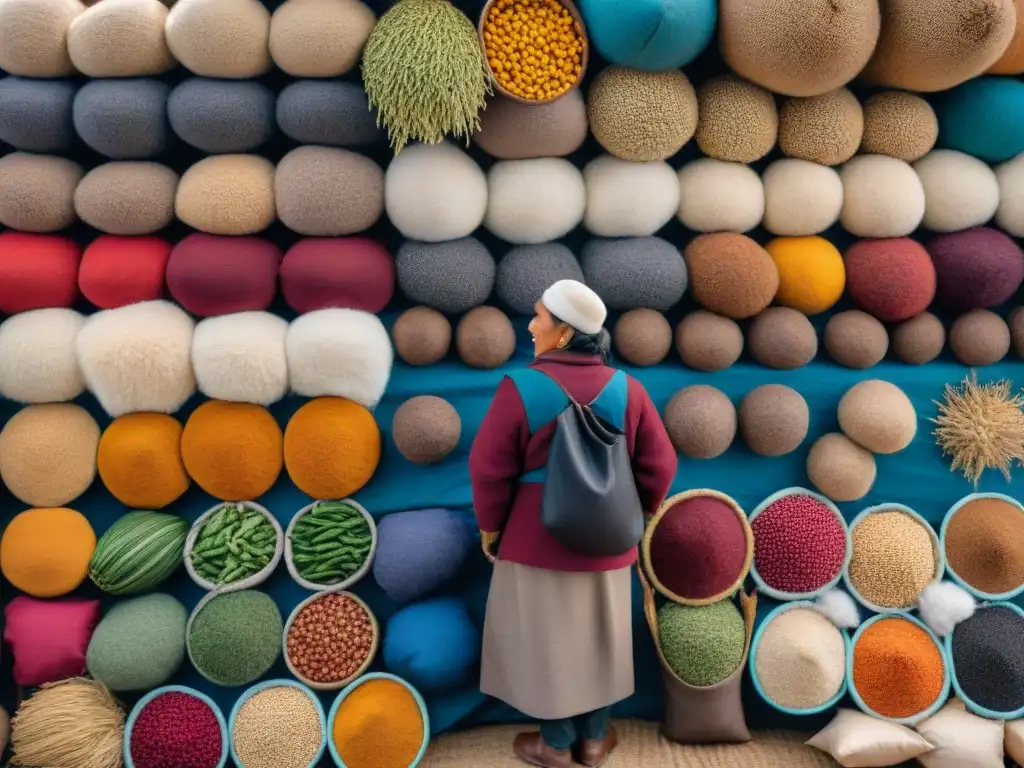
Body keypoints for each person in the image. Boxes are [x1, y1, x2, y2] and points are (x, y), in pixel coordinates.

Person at [470, 279, 677, 768]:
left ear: (563, 334)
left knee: (549, 640)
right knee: (602, 637)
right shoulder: (629, 389)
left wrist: (491, 527)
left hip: (536, 537)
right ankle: (595, 740)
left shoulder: (520, 387)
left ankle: (556, 745)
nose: (531, 324)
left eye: (539, 316)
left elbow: (489, 467)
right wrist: (638, 510)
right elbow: (661, 464)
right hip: (609, 538)